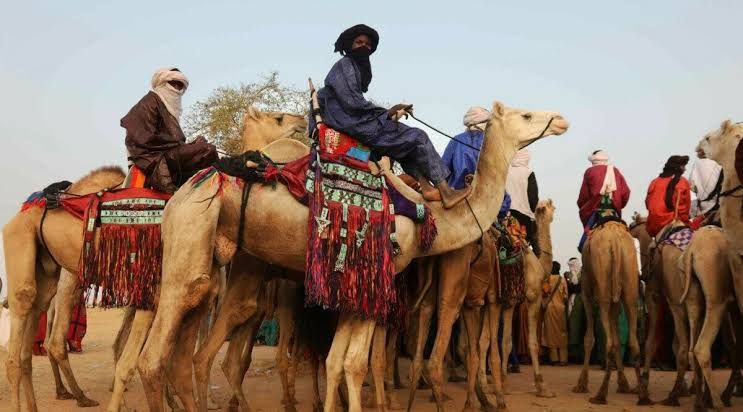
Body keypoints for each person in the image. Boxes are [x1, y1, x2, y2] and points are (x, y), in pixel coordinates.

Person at [314, 24, 471, 208]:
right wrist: (387, 113)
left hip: (352, 122)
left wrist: (387, 113)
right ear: (350, 45)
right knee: (418, 137)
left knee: (404, 148)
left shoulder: (351, 67)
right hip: (351, 124)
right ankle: (447, 192)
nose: (364, 47)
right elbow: (353, 102)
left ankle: (427, 188)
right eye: (359, 42)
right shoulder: (345, 65)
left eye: (368, 44)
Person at [122, 68, 218, 193]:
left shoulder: (166, 107)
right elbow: (141, 138)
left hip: (167, 153)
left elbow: (171, 141)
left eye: (180, 85)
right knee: (207, 149)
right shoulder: (149, 102)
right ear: (162, 84)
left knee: (202, 144)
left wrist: (190, 145)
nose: (177, 88)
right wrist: (177, 144)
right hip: (153, 157)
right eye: (173, 83)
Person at [577, 150, 631, 227]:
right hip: (614, 211)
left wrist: (583, 207)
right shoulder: (615, 171)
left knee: (587, 233)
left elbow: (583, 196)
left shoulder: (589, 171)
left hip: (595, 210)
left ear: (593, 161)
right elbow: (626, 192)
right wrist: (618, 204)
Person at [505, 149, 541, 256]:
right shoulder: (529, 173)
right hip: (524, 218)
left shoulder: (506, 172)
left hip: (505, 215)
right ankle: (538, 260)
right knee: (538, 248)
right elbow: (533, 199)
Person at [645, 155, 691, 237]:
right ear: (677, 167)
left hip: (653, 228)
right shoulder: (682, 182)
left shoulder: (654, 182)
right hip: (673, 226)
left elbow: (648, 204)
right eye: (683, 166)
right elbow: (684, 208)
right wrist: (687, 224)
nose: (685, 169)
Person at [541, 262, 568, 365]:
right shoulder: (562, 280)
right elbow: (566, 296)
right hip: (561, 309)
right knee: (562, 333)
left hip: (550, 309)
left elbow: (544, 293)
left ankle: (554, 359)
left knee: (551, 334)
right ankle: (563, 359)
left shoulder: (547, 280)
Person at [565, 257, 585, 363]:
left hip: (582, 304)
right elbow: (572, 288)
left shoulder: (583, 274)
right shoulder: (567, 274)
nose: (572, 267)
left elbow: (578, 288)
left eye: (573, 264)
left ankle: (582, 355)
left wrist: (574, 287)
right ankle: (573, 355)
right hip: (572, 304)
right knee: (572, 329)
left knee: (582, 328)